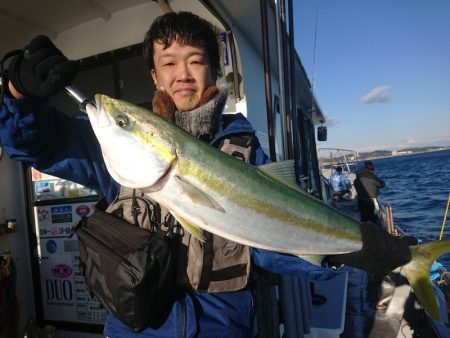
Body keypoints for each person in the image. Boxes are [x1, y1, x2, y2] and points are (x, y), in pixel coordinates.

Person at [0, 11, 412, 338]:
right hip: (137, 329)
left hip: (224, 327)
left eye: (196, 61)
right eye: (169, 63)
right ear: (155, 76)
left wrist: (341, 251)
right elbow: (38, 144)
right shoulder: (117, 152)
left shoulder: (246, 151)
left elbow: (265, 248)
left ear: (213, 72)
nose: (183, 74)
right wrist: (18, 94)